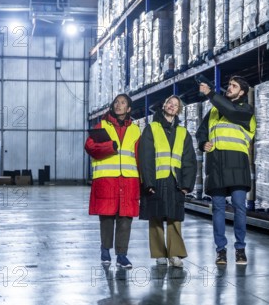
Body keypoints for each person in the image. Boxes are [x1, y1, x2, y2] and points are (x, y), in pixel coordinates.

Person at [196, 76, 256, 265]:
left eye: (234, 86)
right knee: (218, 210)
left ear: (243, 92)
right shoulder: (214, 110)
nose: (229, 88)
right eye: (229, 85)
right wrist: (202, 143)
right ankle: (221, 251)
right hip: (216, 165)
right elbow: (201, 130)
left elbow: (231, 111)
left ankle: (240, 249)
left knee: (239, 208)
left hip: (237, 165)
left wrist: (211, 93)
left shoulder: (245, 110)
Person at [138, 95, 197, 268]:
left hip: (175, 182)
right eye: (169, 103)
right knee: (155, 216)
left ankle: (174, 253)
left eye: (175, 105)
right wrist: (148, 182)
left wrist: (187, 185)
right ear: (164, 105)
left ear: (179, 110)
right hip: (156, 180)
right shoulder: (152, 128)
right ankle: (159, 254)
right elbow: (145, 157)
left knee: (175, 217)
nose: (172, 106)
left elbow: (189, 161)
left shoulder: (182, 132)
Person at [85, 94, 141, 269]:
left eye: (123, 103)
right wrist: (111, 147)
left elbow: (140, 156)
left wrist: (145, 181)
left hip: (129, 180)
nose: (119, 105)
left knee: (125, 219)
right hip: (107, 180)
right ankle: (105, 251)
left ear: (129, 109)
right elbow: (89, 147)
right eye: (116, 102)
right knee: (107, 218)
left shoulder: (136, 129)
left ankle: (122, 255)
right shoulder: (102, 126)